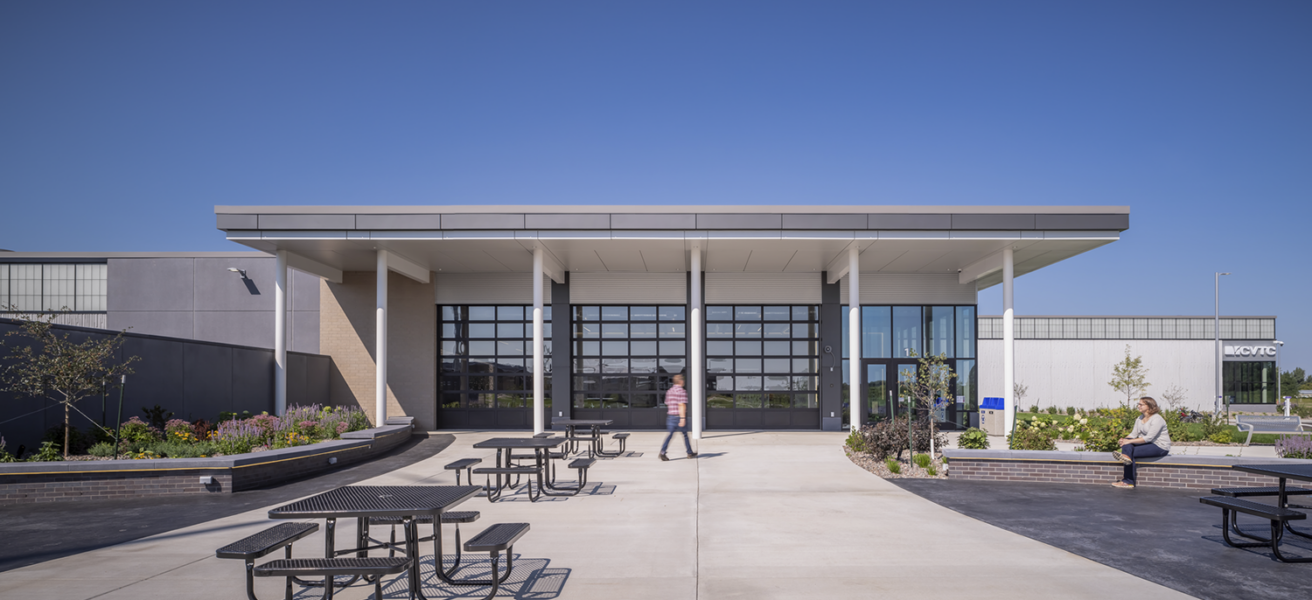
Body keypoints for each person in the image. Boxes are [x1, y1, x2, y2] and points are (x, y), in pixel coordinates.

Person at [1111, 396, 1172, 488]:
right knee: (1127, 445)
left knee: (1129, 449)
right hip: (1148, 444)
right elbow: (1133, 434)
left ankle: (1128, 481)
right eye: (1138, 404)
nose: (1138, 406)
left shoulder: (1157, 419)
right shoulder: (1139, 418)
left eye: (1141, 404)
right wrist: (1124, 440)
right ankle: (1126, 461)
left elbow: (1149, 438)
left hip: (1160, 447)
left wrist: (1127, 442)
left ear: (1149, 406)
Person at [659, 373, 696, 461]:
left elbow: (667, 403)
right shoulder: (681, 391)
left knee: (670, 435)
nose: (683, 381)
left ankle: (662, 452)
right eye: (682, 379)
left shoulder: (669, 391)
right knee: (685, 435)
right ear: (680, 381)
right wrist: (682, 418)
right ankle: (689, 453)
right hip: (679, 417)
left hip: (670, 416)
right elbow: (682, 405)